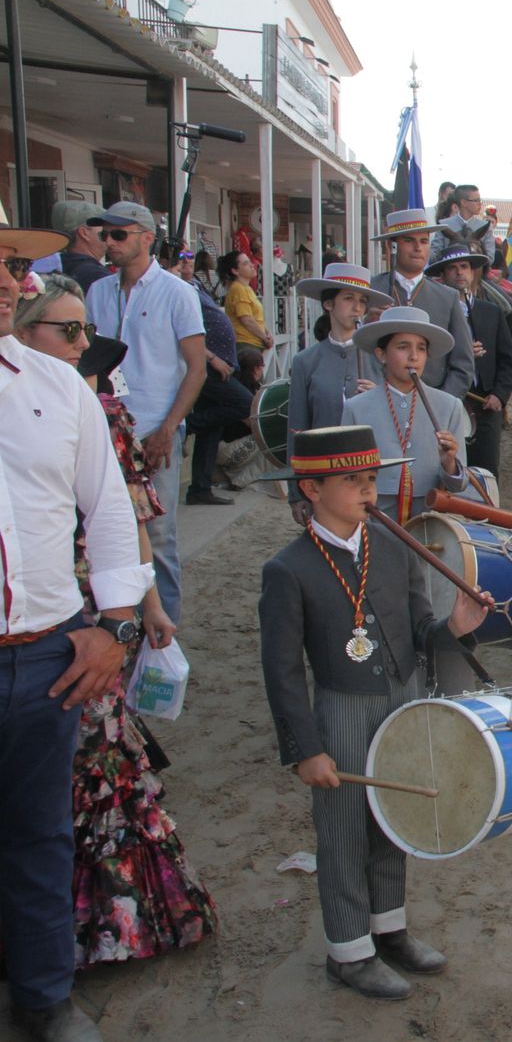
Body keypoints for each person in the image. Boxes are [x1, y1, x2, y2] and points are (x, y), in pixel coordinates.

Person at [14, 277, 219, 973]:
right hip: (54, 610)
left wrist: (132, 616)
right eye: (63, 330)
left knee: (76, 794)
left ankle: (69, 956)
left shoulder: (92, 405)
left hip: (77, 625)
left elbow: (122, 516)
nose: (79, 345)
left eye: (83, 332)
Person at [258, 424, 488, 1002]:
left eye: (372, 479)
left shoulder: (391, 546)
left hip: (398, 700)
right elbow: (282, 672)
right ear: (311, 488)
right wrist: (305, 749)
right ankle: (349, 951)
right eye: (354, 481)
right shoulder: (288, 570)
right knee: (341, 832)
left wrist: (453, 629)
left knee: (394, 819)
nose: (369, 491)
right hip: (341, 707)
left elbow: (418, 632)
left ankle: (389, 930)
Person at [0, 217, 150, 1042]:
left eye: (10, 264)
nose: (5, 278)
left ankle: (43, 999)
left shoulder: (59, 387)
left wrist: (114, 627)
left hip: (46, 660)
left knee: (39, 838)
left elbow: (111, 510)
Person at [83, 202, 205, 626]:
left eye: (119, 235)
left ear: (147, 238)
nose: (109, 243)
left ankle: (163, 632)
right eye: (105, 235)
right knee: (106, 529)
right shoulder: (98, 291)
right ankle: (119, 622)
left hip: (155, 427)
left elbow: (196, 368)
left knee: (159, 535)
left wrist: (168, 429)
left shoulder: (178, 293)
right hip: (102, 429)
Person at [340, 307, 470, 523]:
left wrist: (449, 463)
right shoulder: (356, 408)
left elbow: (459, 484)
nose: (413, 357)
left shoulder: (449, 406)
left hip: (429, 519)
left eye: (421, 348)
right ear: (381, 354)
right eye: (403, 347)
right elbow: (346, 476)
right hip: (374, 517)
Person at [286, 264, 391, 523]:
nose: (357, 307)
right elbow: (297, 429)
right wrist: (296, 492)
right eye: (348, 298)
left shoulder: (381, 357)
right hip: (325, 478)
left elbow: (401, 411)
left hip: (374, 477)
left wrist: (380, 395)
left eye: (362, 301)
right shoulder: (305, 361)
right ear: (328, 304)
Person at [157, 246, 253, 506]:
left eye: (190, 257)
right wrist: (212, 358)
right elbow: (186, 332)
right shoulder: (171, 289)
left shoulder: (195, 284)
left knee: (212, 428)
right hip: (205, 365)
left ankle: (200, 487)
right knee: (245, 403)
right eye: (181, 259)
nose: (187, 263)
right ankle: (185, 426)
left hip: (220, 362)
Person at [428, 246, 512, 477]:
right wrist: (461, 352)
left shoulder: (492, 312)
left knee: (486, 471)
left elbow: (508, 361)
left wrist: (500, 395)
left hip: (484, 404)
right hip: (447, 399)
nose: (460, 273)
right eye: (453, 268)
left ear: (473, 271)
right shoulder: (433, 315)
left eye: (465, 267)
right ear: (443, 275)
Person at [369, 210, 475, 399]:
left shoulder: (448, 297)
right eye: (409, 240)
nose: (418, 247)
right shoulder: (370, 291)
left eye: (424, 241)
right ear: (391, 246)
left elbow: (463, 364)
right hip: (376, 402)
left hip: (431, 406)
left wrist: (441, 403)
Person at [51, 201, 112, 294]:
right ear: (84, 233)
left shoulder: (54, 269)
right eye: (104, 229)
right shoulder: (96, 275)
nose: (110, 233)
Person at [217, 250, 269, 351]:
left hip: (254, 342)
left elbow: (256, 318)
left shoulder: (246, 288)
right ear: (235, 271)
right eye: (246, 263)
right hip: (246, 344)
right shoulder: (238, 289)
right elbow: (247, 320)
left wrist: (267, 333)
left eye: (250, 262)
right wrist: (264, 337)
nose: (251, 265)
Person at [429, 183, 489, 264]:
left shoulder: (486, 226)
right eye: (476, 200)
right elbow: (434, 255)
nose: (480, 203)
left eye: (480, 200)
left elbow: (490, 258)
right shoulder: (443, 225)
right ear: (464, 203)